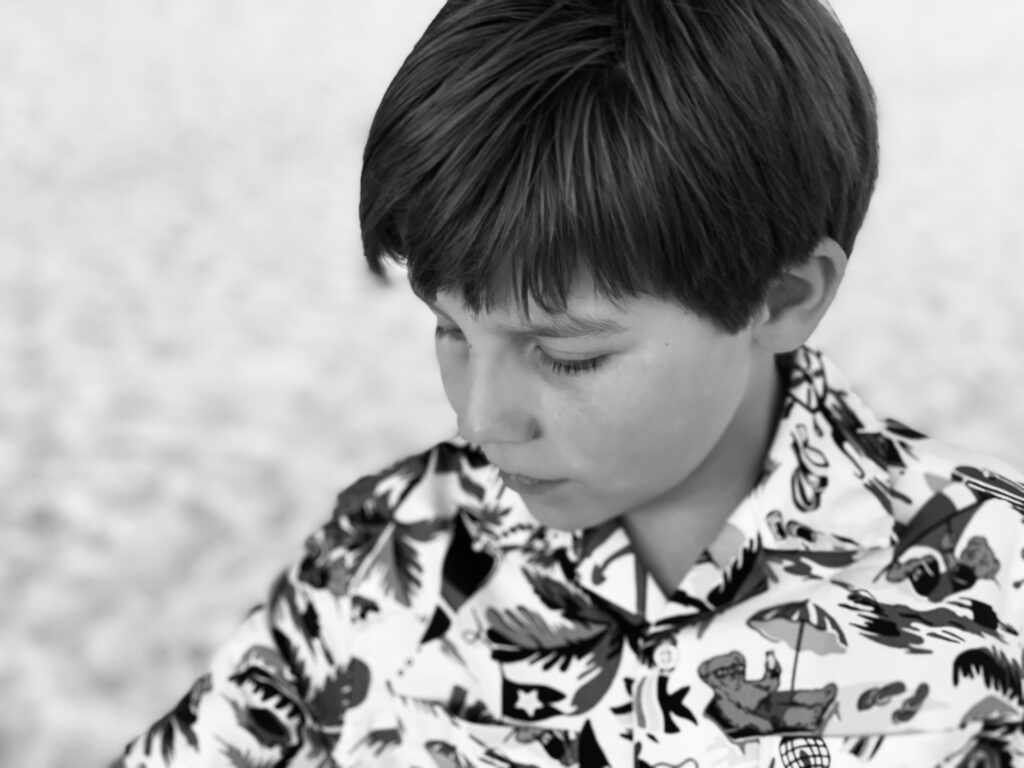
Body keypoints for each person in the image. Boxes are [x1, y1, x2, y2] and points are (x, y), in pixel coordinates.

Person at [112, 0, 1024, 766]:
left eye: (568, 354)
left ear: (783, 297)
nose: (480, 419)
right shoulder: (383, 549)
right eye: (450, 328)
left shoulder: (999, 595)